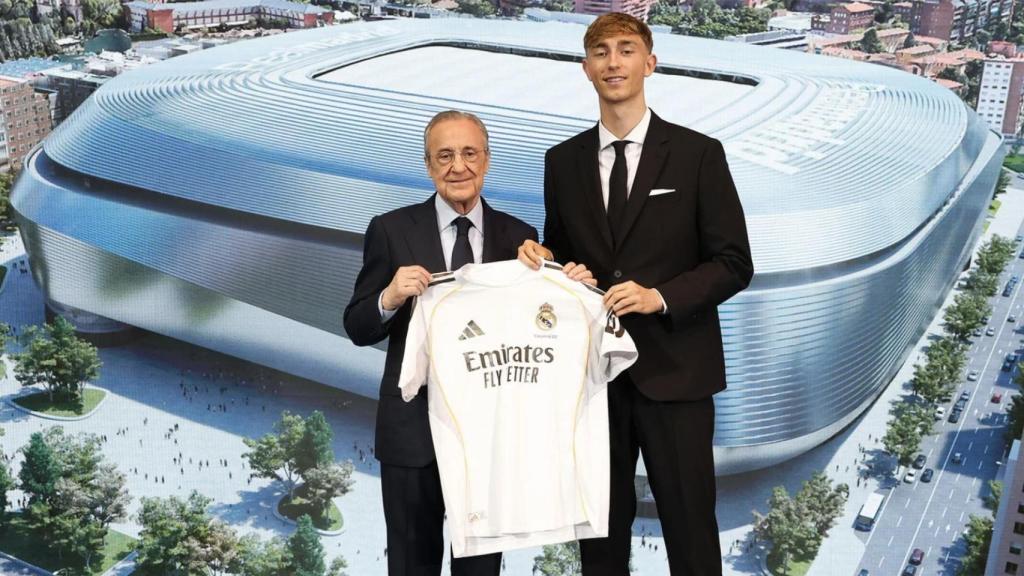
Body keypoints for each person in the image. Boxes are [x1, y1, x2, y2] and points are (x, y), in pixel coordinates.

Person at [518, 13, 754, 576]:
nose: (613, 62)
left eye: (626, 50)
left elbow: (734, 264)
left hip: (677, 376)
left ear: (650, 63)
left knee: (690, 530)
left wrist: (660, 297)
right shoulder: (561, 161)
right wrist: (545, 261)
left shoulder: (699, 154)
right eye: (600, 52)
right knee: (598, 532)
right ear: (586, 69)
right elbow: (565, 251)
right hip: (595, 381)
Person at [344, 110, 591, 576]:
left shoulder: (521, 238)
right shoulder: (391, 230)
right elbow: (357, 326)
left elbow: (541, 332)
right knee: (410, 566)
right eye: (445, 155)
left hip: (490, 441)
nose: (458, 166)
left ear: (487, 160)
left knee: (480, 571)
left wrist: (562, 282)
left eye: (469, 153)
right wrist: (389, 297)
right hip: (411, 435)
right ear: (428, 165)